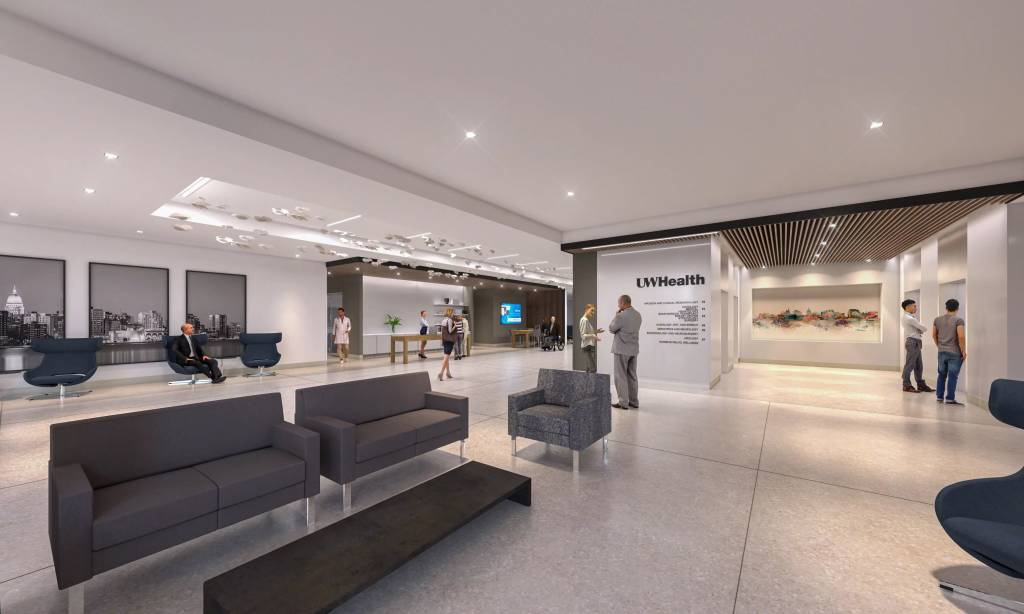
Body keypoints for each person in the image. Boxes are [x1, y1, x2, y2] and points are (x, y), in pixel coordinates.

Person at [608, 294, 642, 409]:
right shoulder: (638, 315)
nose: (618, 305)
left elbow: (611, 328)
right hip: (633, 350)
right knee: (632, 376)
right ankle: (634, 401)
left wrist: (616, 315)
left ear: (623, 303)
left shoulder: (621, 316)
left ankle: (623, 402)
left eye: (619, 303)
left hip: (621, 350)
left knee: (620, 376)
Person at [933, 298, 966, 405]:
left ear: (946, 307)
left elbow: (934, 335)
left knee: (941, 375)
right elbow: (961, 337)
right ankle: (950, 398)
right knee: (953, 376)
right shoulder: (958, 320)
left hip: (941, 351)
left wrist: (939, 346)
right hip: (955, 352)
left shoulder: (937, 320)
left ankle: (939, 397)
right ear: (957, 308)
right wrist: (963, 350)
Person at [900, 299, 934, 394]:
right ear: (907, 307)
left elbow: (920, 329)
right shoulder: (909, 318)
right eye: (914, 306)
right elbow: (924, 328)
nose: (916, 308)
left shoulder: (911, 317)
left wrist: (919, 329)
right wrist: (920, 329)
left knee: (919, 365)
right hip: (912, 342)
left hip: (916, 342)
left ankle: (920, 384)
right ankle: (906, 385)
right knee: (910, 364)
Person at [578, 304, 603, 373]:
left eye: (593, 311)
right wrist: (593, 335)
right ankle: (592, 383)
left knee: (589, 369)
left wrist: (596, 331)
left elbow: (588, 332)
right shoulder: (584, 320)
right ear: (586, 310)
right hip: (587, 347)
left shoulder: (586, 320)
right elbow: (583, 335)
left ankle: (587, 383)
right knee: (593, 369)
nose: (593, 312)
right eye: (591, 310)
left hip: (590, 346)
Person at [438, 307, 456, 380]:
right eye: (452, 312)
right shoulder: (449, 320)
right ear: (450, 313)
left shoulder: (443, 320)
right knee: (446, 357)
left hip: (445, 340)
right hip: (449, 340)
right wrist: (455, 325)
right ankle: (441, 372)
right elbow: (450, 331)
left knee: (446, 357)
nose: (453, 314)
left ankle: (448, 373)